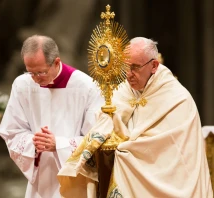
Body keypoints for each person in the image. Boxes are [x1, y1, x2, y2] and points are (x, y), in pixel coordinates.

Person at [58, 37, 213, 197]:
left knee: (124, 158)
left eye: (135, 67)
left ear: (154, 66)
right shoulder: (125, 90)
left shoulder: (178, 99)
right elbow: (106, 119)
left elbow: (170, 152)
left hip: (172, 181)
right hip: (130, 167)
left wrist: (127, 148)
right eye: (125, 66)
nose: (128, 74)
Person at [0, 35, 104, 198]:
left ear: (56, 62)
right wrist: (33, 142)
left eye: (40, 72)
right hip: (41, 182)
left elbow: (96, 138)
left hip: (75, 181)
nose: (35, 79)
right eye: (30, 72)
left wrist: (59, 145)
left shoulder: (87, 87)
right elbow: (11, 131)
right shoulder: (22, 85)